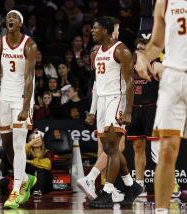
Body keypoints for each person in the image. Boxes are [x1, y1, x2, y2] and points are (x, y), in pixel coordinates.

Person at [84, 16, 142, 208]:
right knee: (111, 149)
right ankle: (131, 185)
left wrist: (127, 110)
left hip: (116, 100)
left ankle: (107, 192)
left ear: (107, 30)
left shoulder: (121, 50)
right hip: (101, 101)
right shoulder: (96, 51)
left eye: (96, 28)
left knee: (111, 147)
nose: (92, 31)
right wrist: (92, 110)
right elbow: (96, 84)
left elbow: (130, 83)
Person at [135, 0, 187, 213]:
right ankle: (162, 211)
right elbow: (156, 44)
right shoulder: (163, 3)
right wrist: (143, 57)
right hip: (172, 77)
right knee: (166, 150)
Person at [0, 10, 38, 209]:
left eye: (14, 18)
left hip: (21, 97)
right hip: (4, 98)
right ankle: (26, 178)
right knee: (6, 144)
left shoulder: (29, 45)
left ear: (21, 23)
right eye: (8, 18)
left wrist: (26, 106)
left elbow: (29, 77)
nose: (10, 20)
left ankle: (16, 190)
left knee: (17, 143)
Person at [77, 18, 127, 203]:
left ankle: (108, 186)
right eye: (118, 28)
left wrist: (92, 111)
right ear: (111, 30)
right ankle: (99, 183)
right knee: (116, 147)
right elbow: (101, 84)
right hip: (113, 99)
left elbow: (96, 86)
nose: (119, 31)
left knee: (106, 148)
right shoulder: (118, 49)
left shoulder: (96, 51)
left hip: (102, 103)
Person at [127, 38, 160, 195]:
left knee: (157, 150)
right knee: (137, 147)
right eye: (138, 48)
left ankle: (168, 184)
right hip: (135, 109)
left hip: (152, 109)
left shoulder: (155, 65)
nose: (140, 50)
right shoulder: (130, 67)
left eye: (143, 48)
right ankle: (140, 185)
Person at [25, 130, 52, 196]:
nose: (36, 141)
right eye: (33, 139)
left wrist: (30, 161)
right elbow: (20, 154)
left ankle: (38, 190)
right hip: (29, 184)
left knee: (41, 169)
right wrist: (29, 144)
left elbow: (48, 164)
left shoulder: (47, 152)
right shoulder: (27, 152)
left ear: (42, 141)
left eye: (38, 139)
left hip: (45, 184)